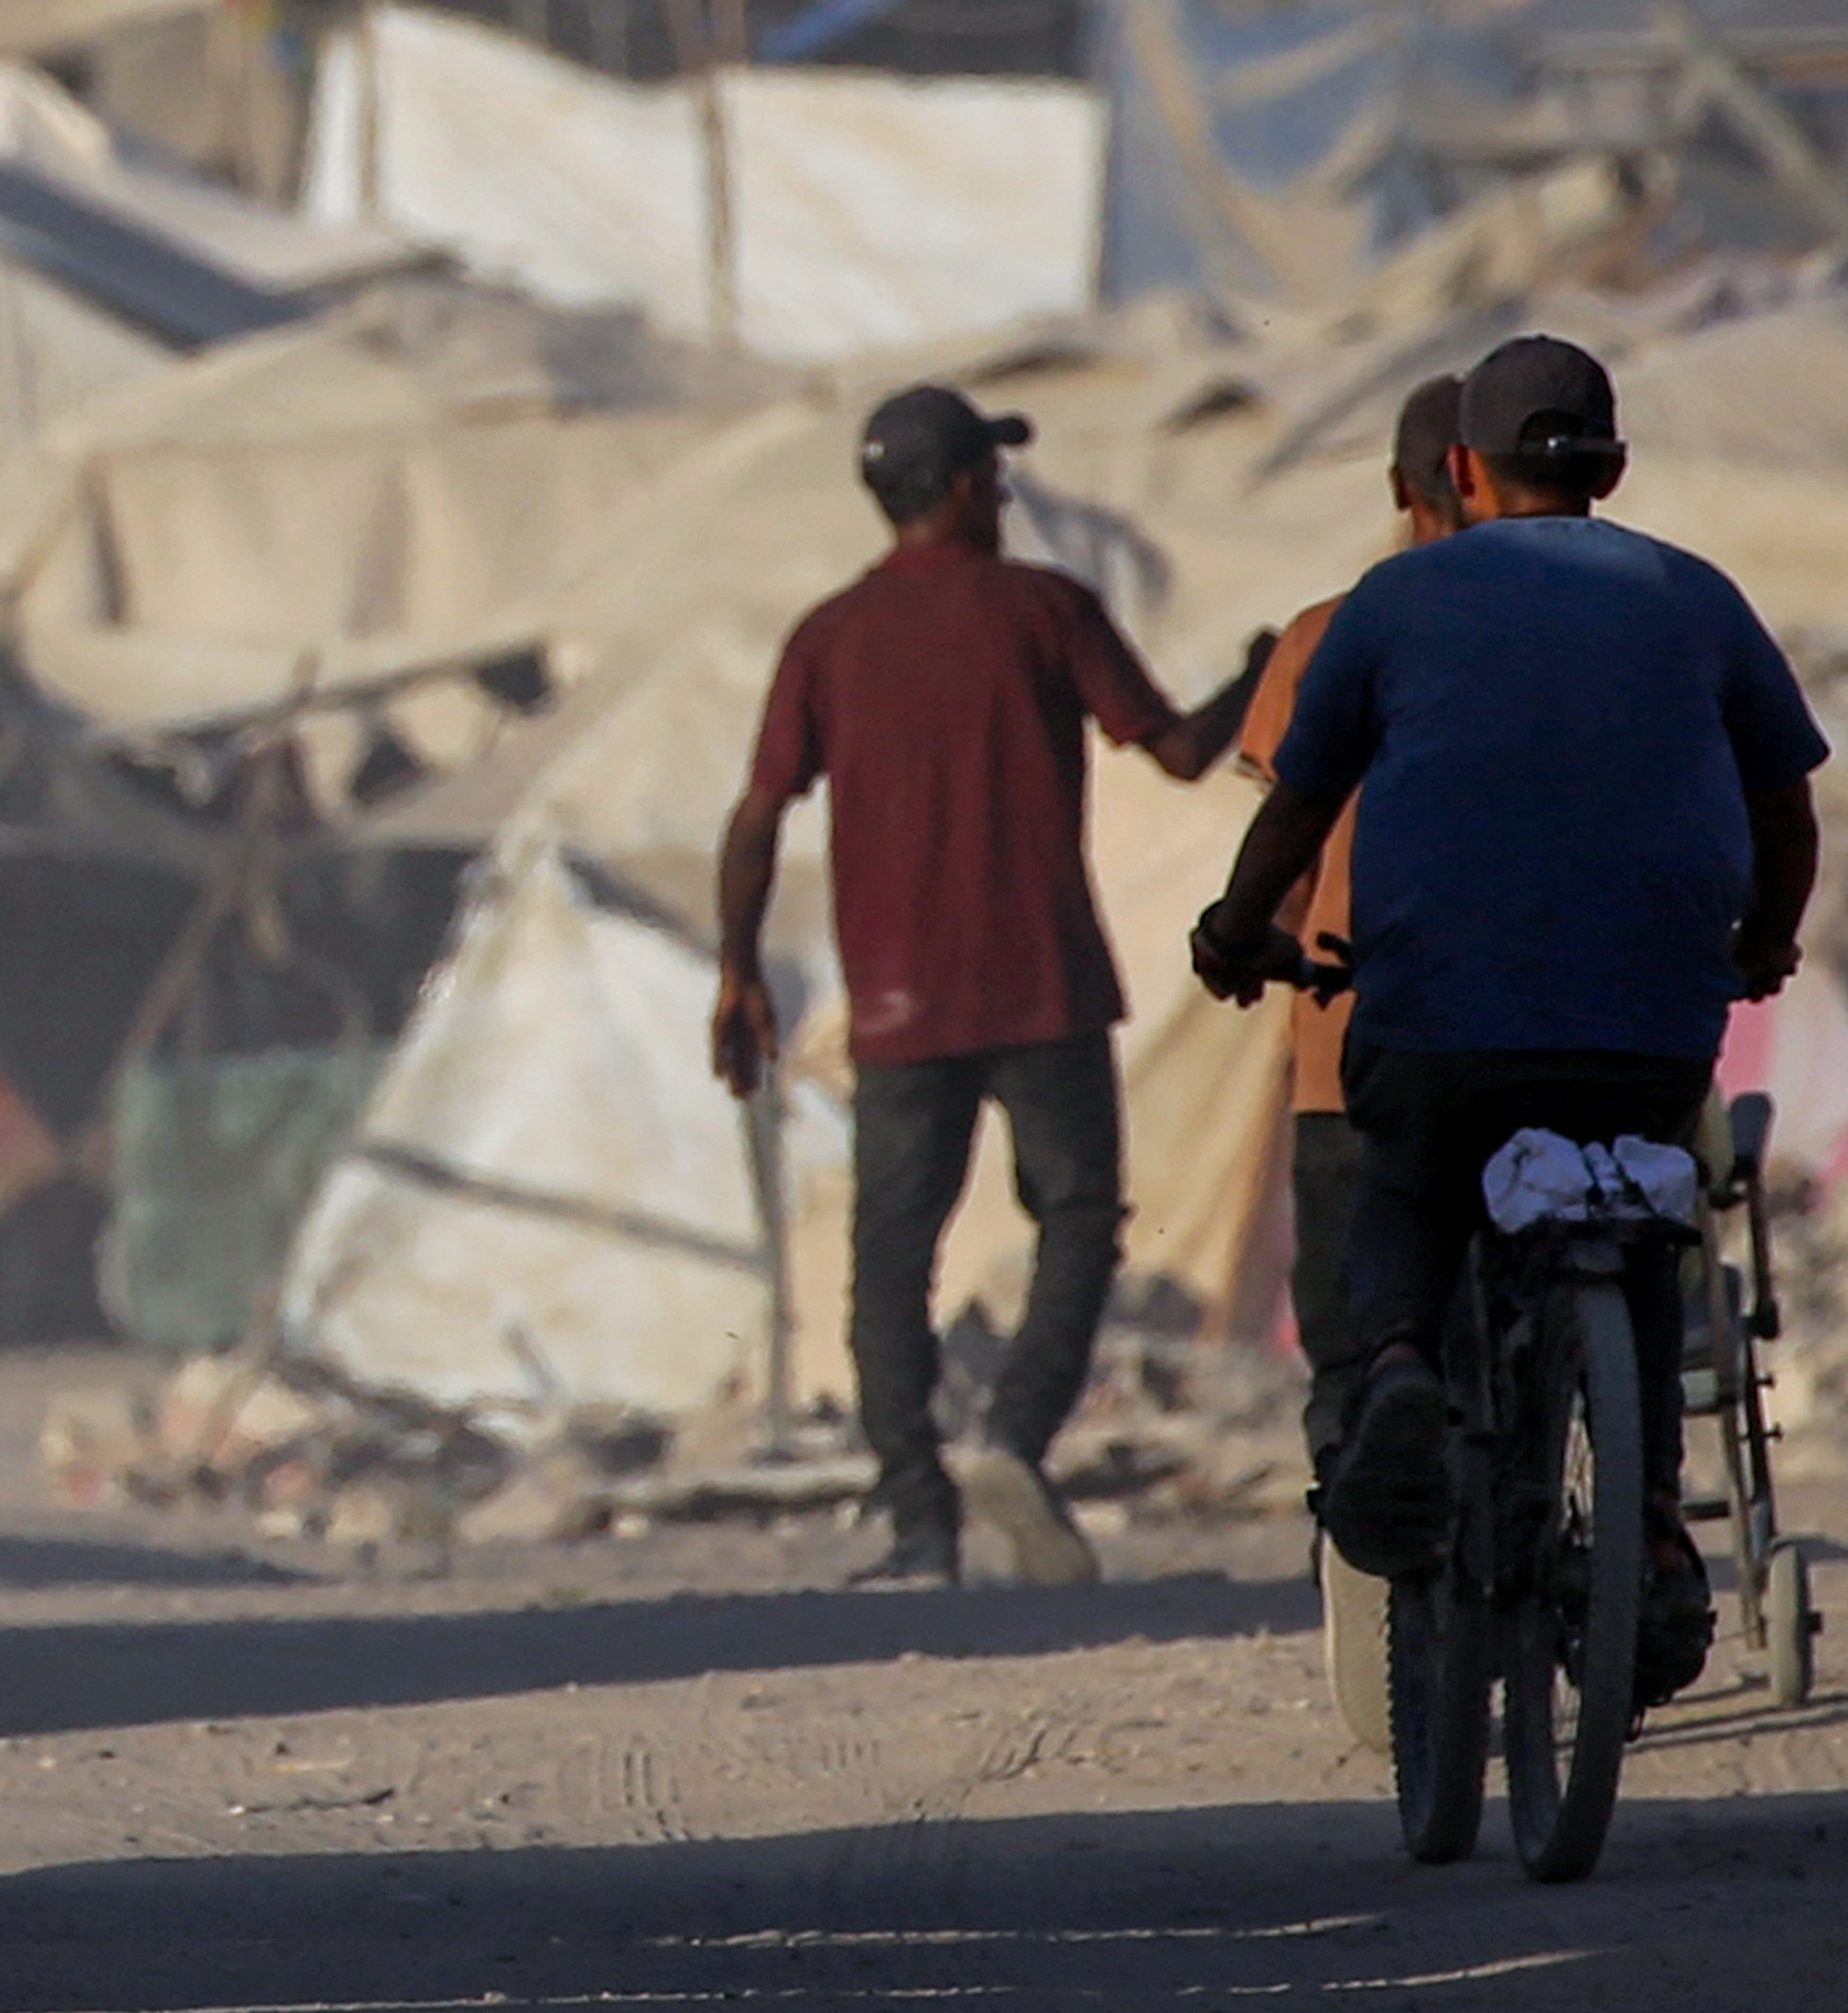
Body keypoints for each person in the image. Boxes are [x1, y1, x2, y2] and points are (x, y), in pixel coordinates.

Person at [1194, 335, 1823, 1704]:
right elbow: (1787, 805)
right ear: (1615, 468)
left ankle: (1406, 1366)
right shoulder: (1694, 597)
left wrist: (1238, 935)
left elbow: (1297, 803)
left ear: (1462, 470)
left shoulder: (1393, 603)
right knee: (1646, 1223)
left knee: (1408, 1176)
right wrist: (1763, 943)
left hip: (1443, 1007)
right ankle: (1653, 1528)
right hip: (1648, 1021)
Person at [714, 385, 1268, 1591]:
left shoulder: (829, 636)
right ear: (963, 487)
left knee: (890, 1258)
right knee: (1077, 1220)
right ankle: (1013, 1437)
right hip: (1046, 988)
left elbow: (759, 814)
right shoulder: (1043, 609)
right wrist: (1259, 677)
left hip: (900, 1006)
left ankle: (920, 1521)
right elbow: (1178, 753)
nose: (1006, 492)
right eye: (994, 474)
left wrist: (737, 973)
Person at [1230, 375, 1467, 1497]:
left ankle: (1369, 1548)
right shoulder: (1593, 626)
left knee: (1349, 1341)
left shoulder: (1327, 636)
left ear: (1399, 486)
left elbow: (1289, 825)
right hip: (1540, 1033)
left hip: (1349, 1044)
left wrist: (1244, 934)